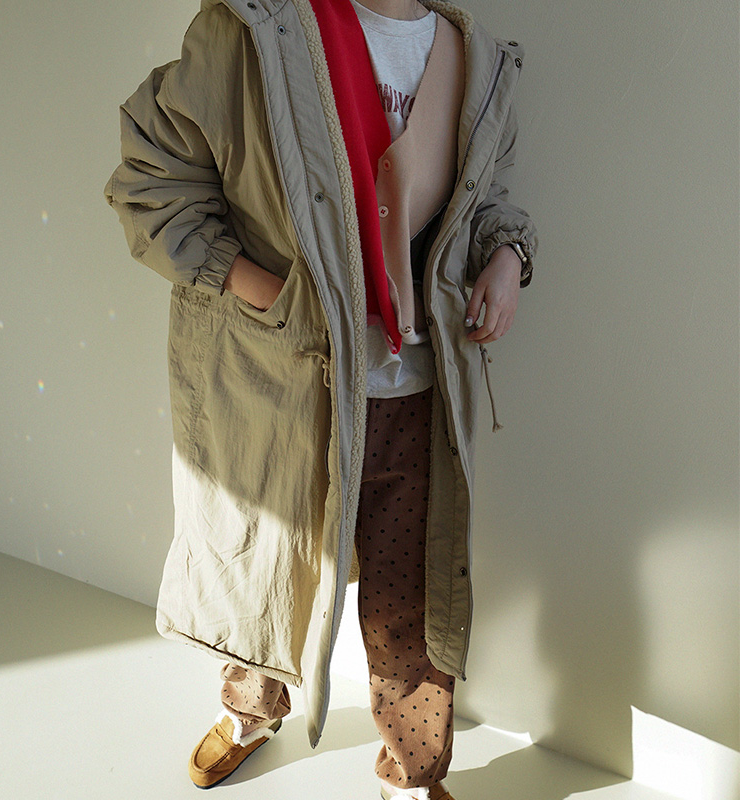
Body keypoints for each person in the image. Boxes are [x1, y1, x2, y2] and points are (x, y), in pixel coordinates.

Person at [103, 0, 538, 797]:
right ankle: (250, 708)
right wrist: (268, 293)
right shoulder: (254, 26)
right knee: (269, 562)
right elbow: (154, 177)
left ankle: (413, 772)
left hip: (415, 389)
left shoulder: (472, 56)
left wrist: (506, 255)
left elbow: (484, 196)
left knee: (409, 592)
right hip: (284, 381)